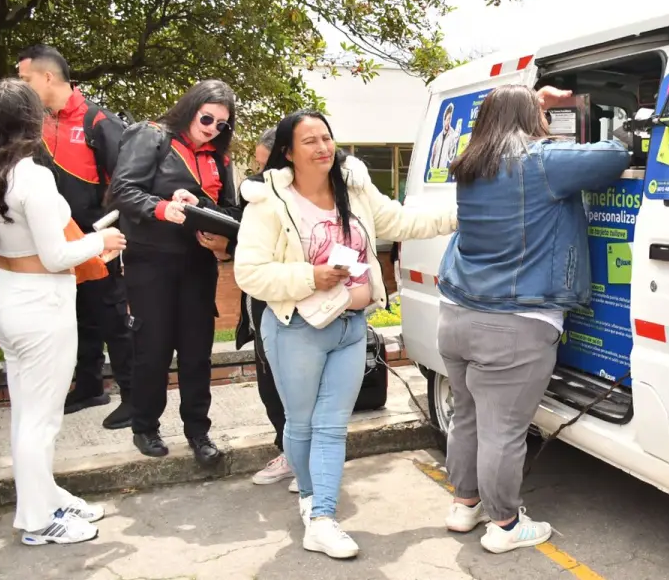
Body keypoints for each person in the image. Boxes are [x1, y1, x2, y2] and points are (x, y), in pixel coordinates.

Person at [233, 110, 456, 560]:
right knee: (301, 423)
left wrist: (462, 214)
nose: (322, 147)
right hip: (296, 328)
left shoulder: (353, 189)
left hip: (351, 327)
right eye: (309, 141)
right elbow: (249, 273)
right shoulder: (269, 203)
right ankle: (310, 501)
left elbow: (401, 221)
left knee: (333, 426)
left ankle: (322, 518)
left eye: (327, 138)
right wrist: (310, 276)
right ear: (288, 153)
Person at [436, 84, 630, 554]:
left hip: (458, 315)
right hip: (514, 322)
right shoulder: (540, 161)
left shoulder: (470, 164)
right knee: (503, 428)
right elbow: (612, 155)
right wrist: (625, 126)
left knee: (468, 417)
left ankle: (465, 505)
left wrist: (528, 102)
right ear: (530, 119)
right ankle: (504, 525)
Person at [0, 78, 128, 545]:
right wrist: (100, 241)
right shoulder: (32, 175)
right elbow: (55, 255)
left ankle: (45, 496)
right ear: (35, 120)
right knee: (40, 418)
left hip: (8, 296)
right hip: (41, 303)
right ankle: (37, 521)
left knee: (26, 413)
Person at [111, 80, 241, 464]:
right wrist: (163, 207)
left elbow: (230, 210)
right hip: (151, 261)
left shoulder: (220, 158)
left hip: (197, 263)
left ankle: (198, 432)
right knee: (152, 348)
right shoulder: (152, 136)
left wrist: (200, 205)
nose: (213, 127)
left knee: (197, 351)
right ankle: (145, 426)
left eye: (222, 124)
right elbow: (123, 190)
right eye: (207, 118)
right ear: (191, 108)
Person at [16, 45, 136, 430]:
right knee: (79, 317)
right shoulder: (36, 126)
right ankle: (88, 387)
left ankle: (135, 398)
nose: (22, 86)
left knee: (113, 318)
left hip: (99, 243)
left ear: (47, 77)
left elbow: (127, 185)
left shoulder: (98, 122)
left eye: (25, 79)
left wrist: (108, 235)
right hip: (60, 245)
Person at [232, 128, 295, 491]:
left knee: (292, 386)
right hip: (260, 301)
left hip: (287, 304)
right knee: (270, 380)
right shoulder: (258, 193)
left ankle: (300, 457)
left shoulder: (293, 196)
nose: (258, 172)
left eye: (263, 163)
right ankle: (288, 449)